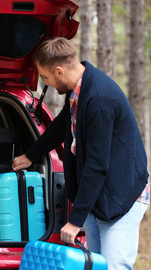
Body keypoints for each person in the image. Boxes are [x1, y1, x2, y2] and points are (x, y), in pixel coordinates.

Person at [12, 37, 149, 270]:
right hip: (99, 194)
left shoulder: (98, 99)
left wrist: (75, 221)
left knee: (115, 267)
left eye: (45, 77)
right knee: (95, 266)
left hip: (121, 196)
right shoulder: (80, 89)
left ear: (59, 71)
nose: (47, 83)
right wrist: (31, 155)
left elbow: (97, 165)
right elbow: (62, 123)